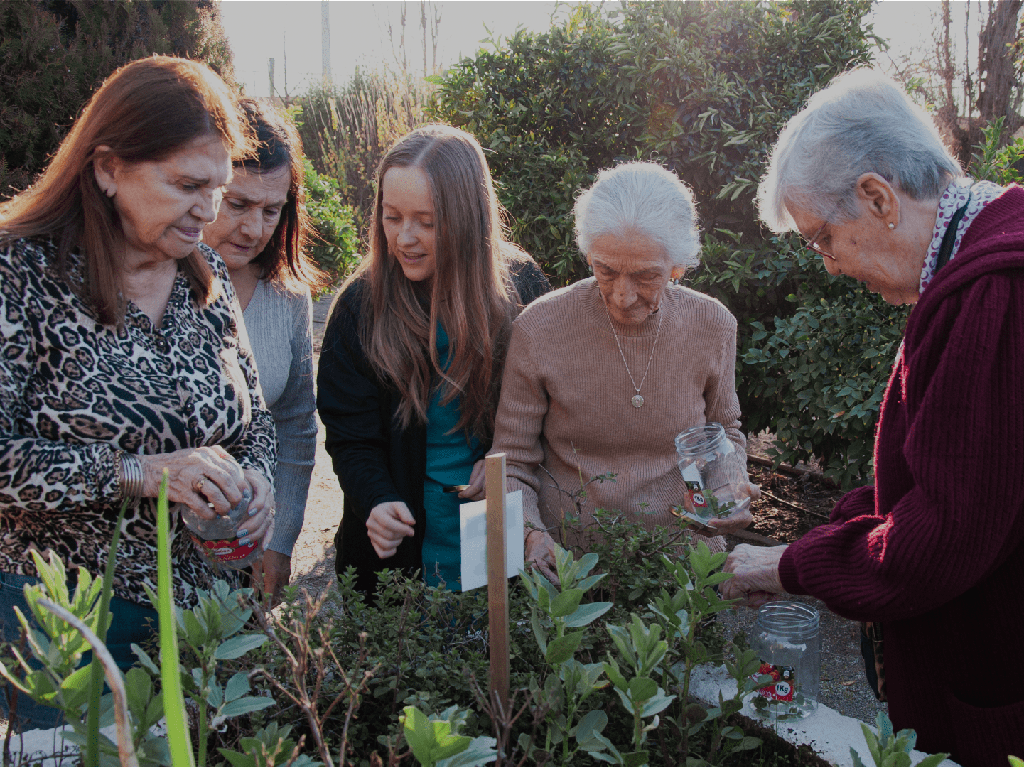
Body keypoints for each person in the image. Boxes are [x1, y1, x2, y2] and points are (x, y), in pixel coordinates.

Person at [722, 67, 1024, 766]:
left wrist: (791, 566)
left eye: (822, 238)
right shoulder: (969, 266)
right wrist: (824, 532)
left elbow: (945, 534)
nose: (826, 264)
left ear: (878, 197)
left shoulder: (994, 296)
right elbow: (945, 474)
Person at [0, 56, 277, 730]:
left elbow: (257, 421)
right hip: (68, 619)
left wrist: (259, 480)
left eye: (218, 186)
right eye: (187, 184)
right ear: (106, 168)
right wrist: (141, 474)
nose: (208, 211)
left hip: (207, 615)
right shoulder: (19, 273)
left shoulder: (203, 273)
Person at [488, 161, 756, 584]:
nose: (622, 295)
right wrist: (531, 536)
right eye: (605, 270)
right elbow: (510, 462)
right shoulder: (540, 328)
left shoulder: (712, 325)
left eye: (646, 275)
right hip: (570, 575)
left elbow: (725, 431)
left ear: (677, 265)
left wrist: (729, 484)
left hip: (681, 566)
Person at [317, 124, 550, 595]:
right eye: (391, 217)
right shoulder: (361, 306)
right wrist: (376, 500)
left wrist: (503, 456)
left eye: (427, 221)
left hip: (497, 537)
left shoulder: (520, 287)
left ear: (468, 217)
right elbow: (350, 434)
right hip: (398, 556)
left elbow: (549, 405)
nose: (405, 238)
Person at [203, 99, 328, 604]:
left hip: (249, 548)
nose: (254, 229)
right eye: (237, 204)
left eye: (271, 211)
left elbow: (296, 426)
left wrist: (279, 541)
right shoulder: (153, 284)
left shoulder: (287, 296)